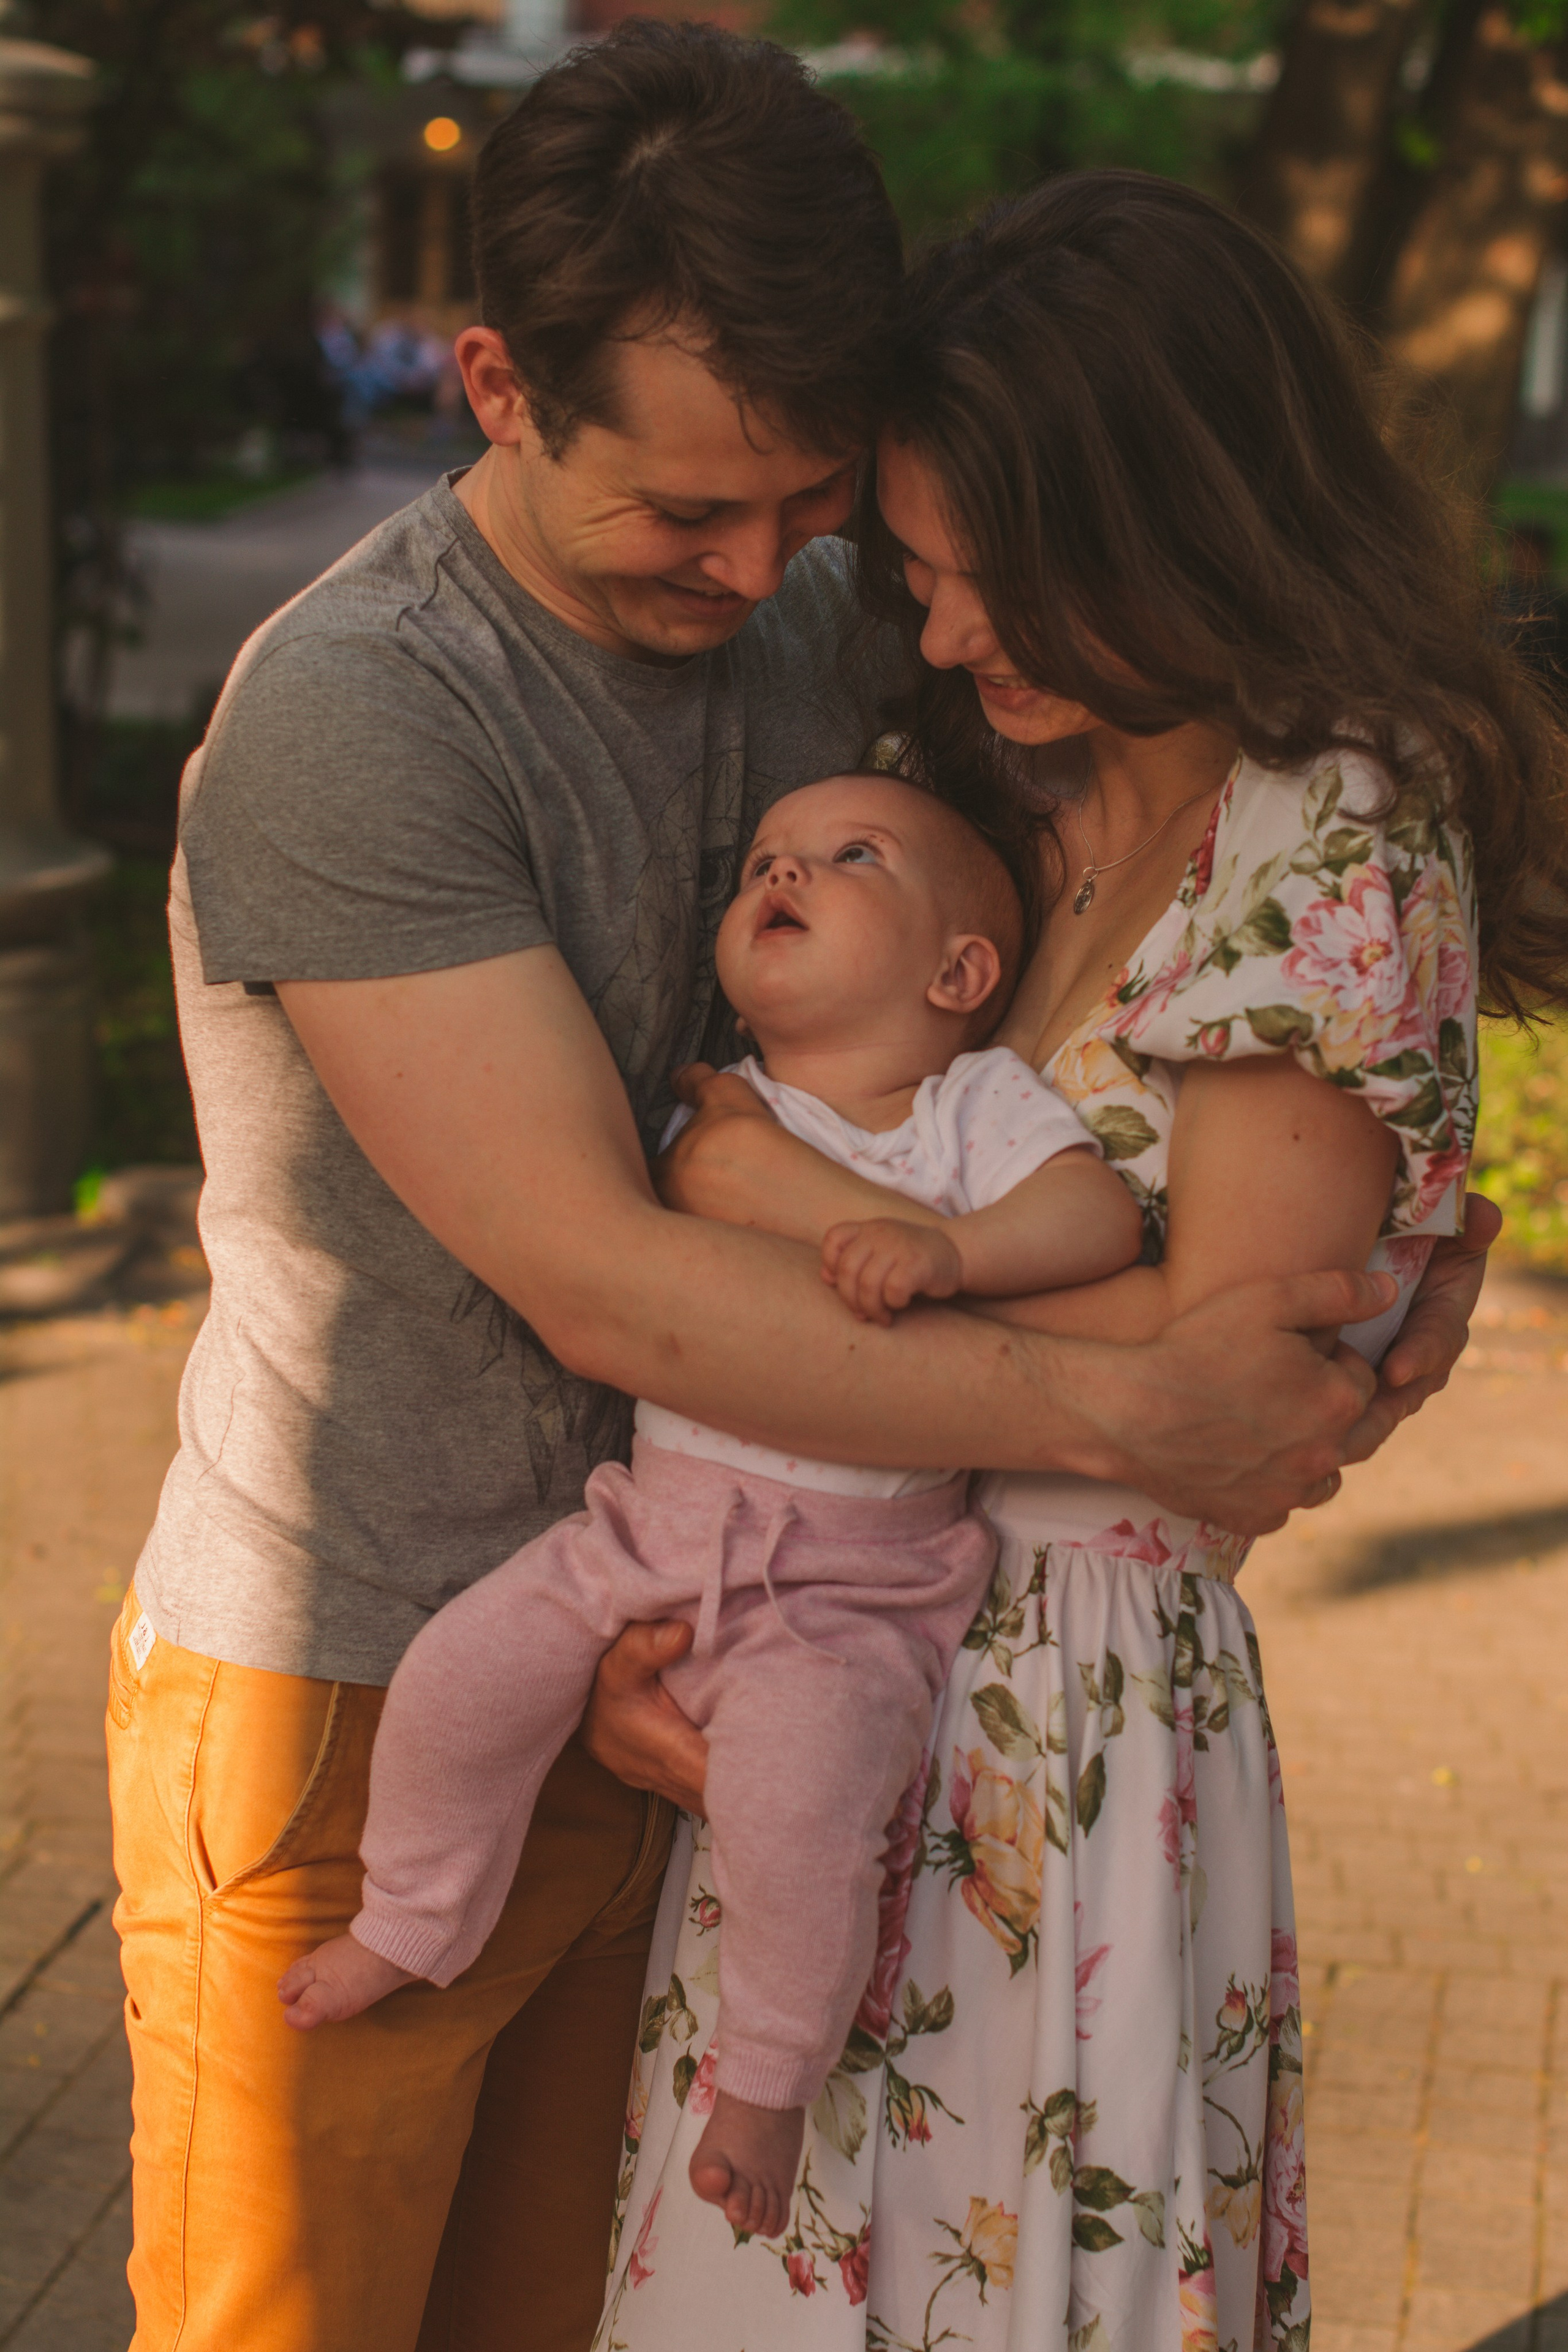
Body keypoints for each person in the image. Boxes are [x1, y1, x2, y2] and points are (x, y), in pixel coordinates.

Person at [107, 28, 1491, 2352]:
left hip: (738, 1688)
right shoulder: (368, 714)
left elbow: (1151, 1025)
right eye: (687, 516)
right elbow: (607, 1286)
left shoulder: (807, 670)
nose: (763, 577)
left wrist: (1367, 1284)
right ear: (499, 389)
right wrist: (1155, 1399)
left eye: (804, 507)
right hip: (378, 1694)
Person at [596, 174, 1568, 2352]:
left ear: (1177, 520)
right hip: (857, 1665)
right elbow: (1097, 1303)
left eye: (993, 580)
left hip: (1060, 1735)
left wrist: (793, 1227)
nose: (944, 641)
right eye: (925, 580)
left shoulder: (1326, 826)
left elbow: (1230, 1391)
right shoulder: (1031, 800)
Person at [274, 772, 1145, 2239]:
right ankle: (410, 1919)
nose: (781, 872)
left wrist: (952, 1256)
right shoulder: (720, 1108)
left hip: (848, 1592)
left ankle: (765, 2074)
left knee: (795, 1802)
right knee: (458, 1675)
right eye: (762, 860)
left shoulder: (970, 1108)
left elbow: (1097, 1220)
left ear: (958, 972)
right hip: (645, 1532)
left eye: (845, 857)